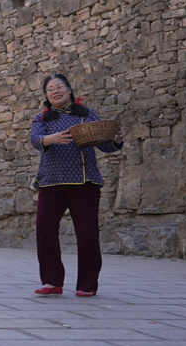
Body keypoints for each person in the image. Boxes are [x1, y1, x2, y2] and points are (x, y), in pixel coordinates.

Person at [30, 74, 125, 297]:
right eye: (50, 89)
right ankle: (52, 282)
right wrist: (50, 139)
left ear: (69, 90)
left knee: (88, 235)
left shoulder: (86, 114)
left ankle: (88, 284)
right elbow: (35, 139)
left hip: (85, 182)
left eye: (59, 87)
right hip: (51, 182)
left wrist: (117, 140)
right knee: (44, 230)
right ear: (46, 95)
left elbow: (105, 145)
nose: (55, 91)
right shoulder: (41, 118)